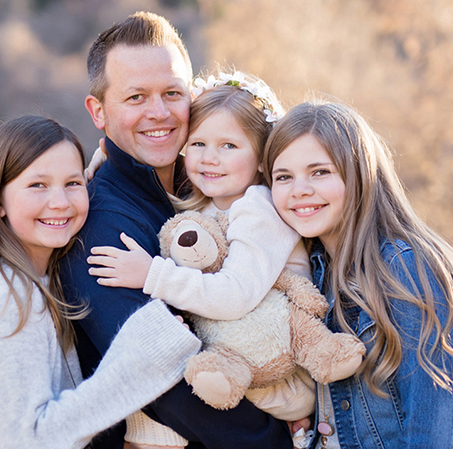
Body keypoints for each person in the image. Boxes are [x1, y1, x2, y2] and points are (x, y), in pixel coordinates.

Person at [87, 70, 366, 449]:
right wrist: (105, 159)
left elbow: (234, 295)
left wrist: (152, 274)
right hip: (238, 357)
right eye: (198, 143)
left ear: (264, 158)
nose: (209, 159)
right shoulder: (209, 198)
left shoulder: (259, 209)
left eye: (229, 146)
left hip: (278, 367)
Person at [60, 12, 297, 449]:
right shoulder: (100, 224)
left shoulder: (208, 184)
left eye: (172, 93)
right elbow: (164, 376)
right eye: (136, 97)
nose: (159, 113)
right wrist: (277, 441)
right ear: (98, 111)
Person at [0, 115, 201, 449]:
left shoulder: (41, 278)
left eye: (72, 184)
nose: (59, 202)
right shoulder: (5, 292)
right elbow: (32, 439)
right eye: (37, 185)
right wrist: (139, 357)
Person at [263, 99, 453, 448]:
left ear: (358, 172)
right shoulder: (313, 273)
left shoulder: (405, 270)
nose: (299, 189)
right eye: (283, 177)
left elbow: (430, 435)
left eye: (320, 172)